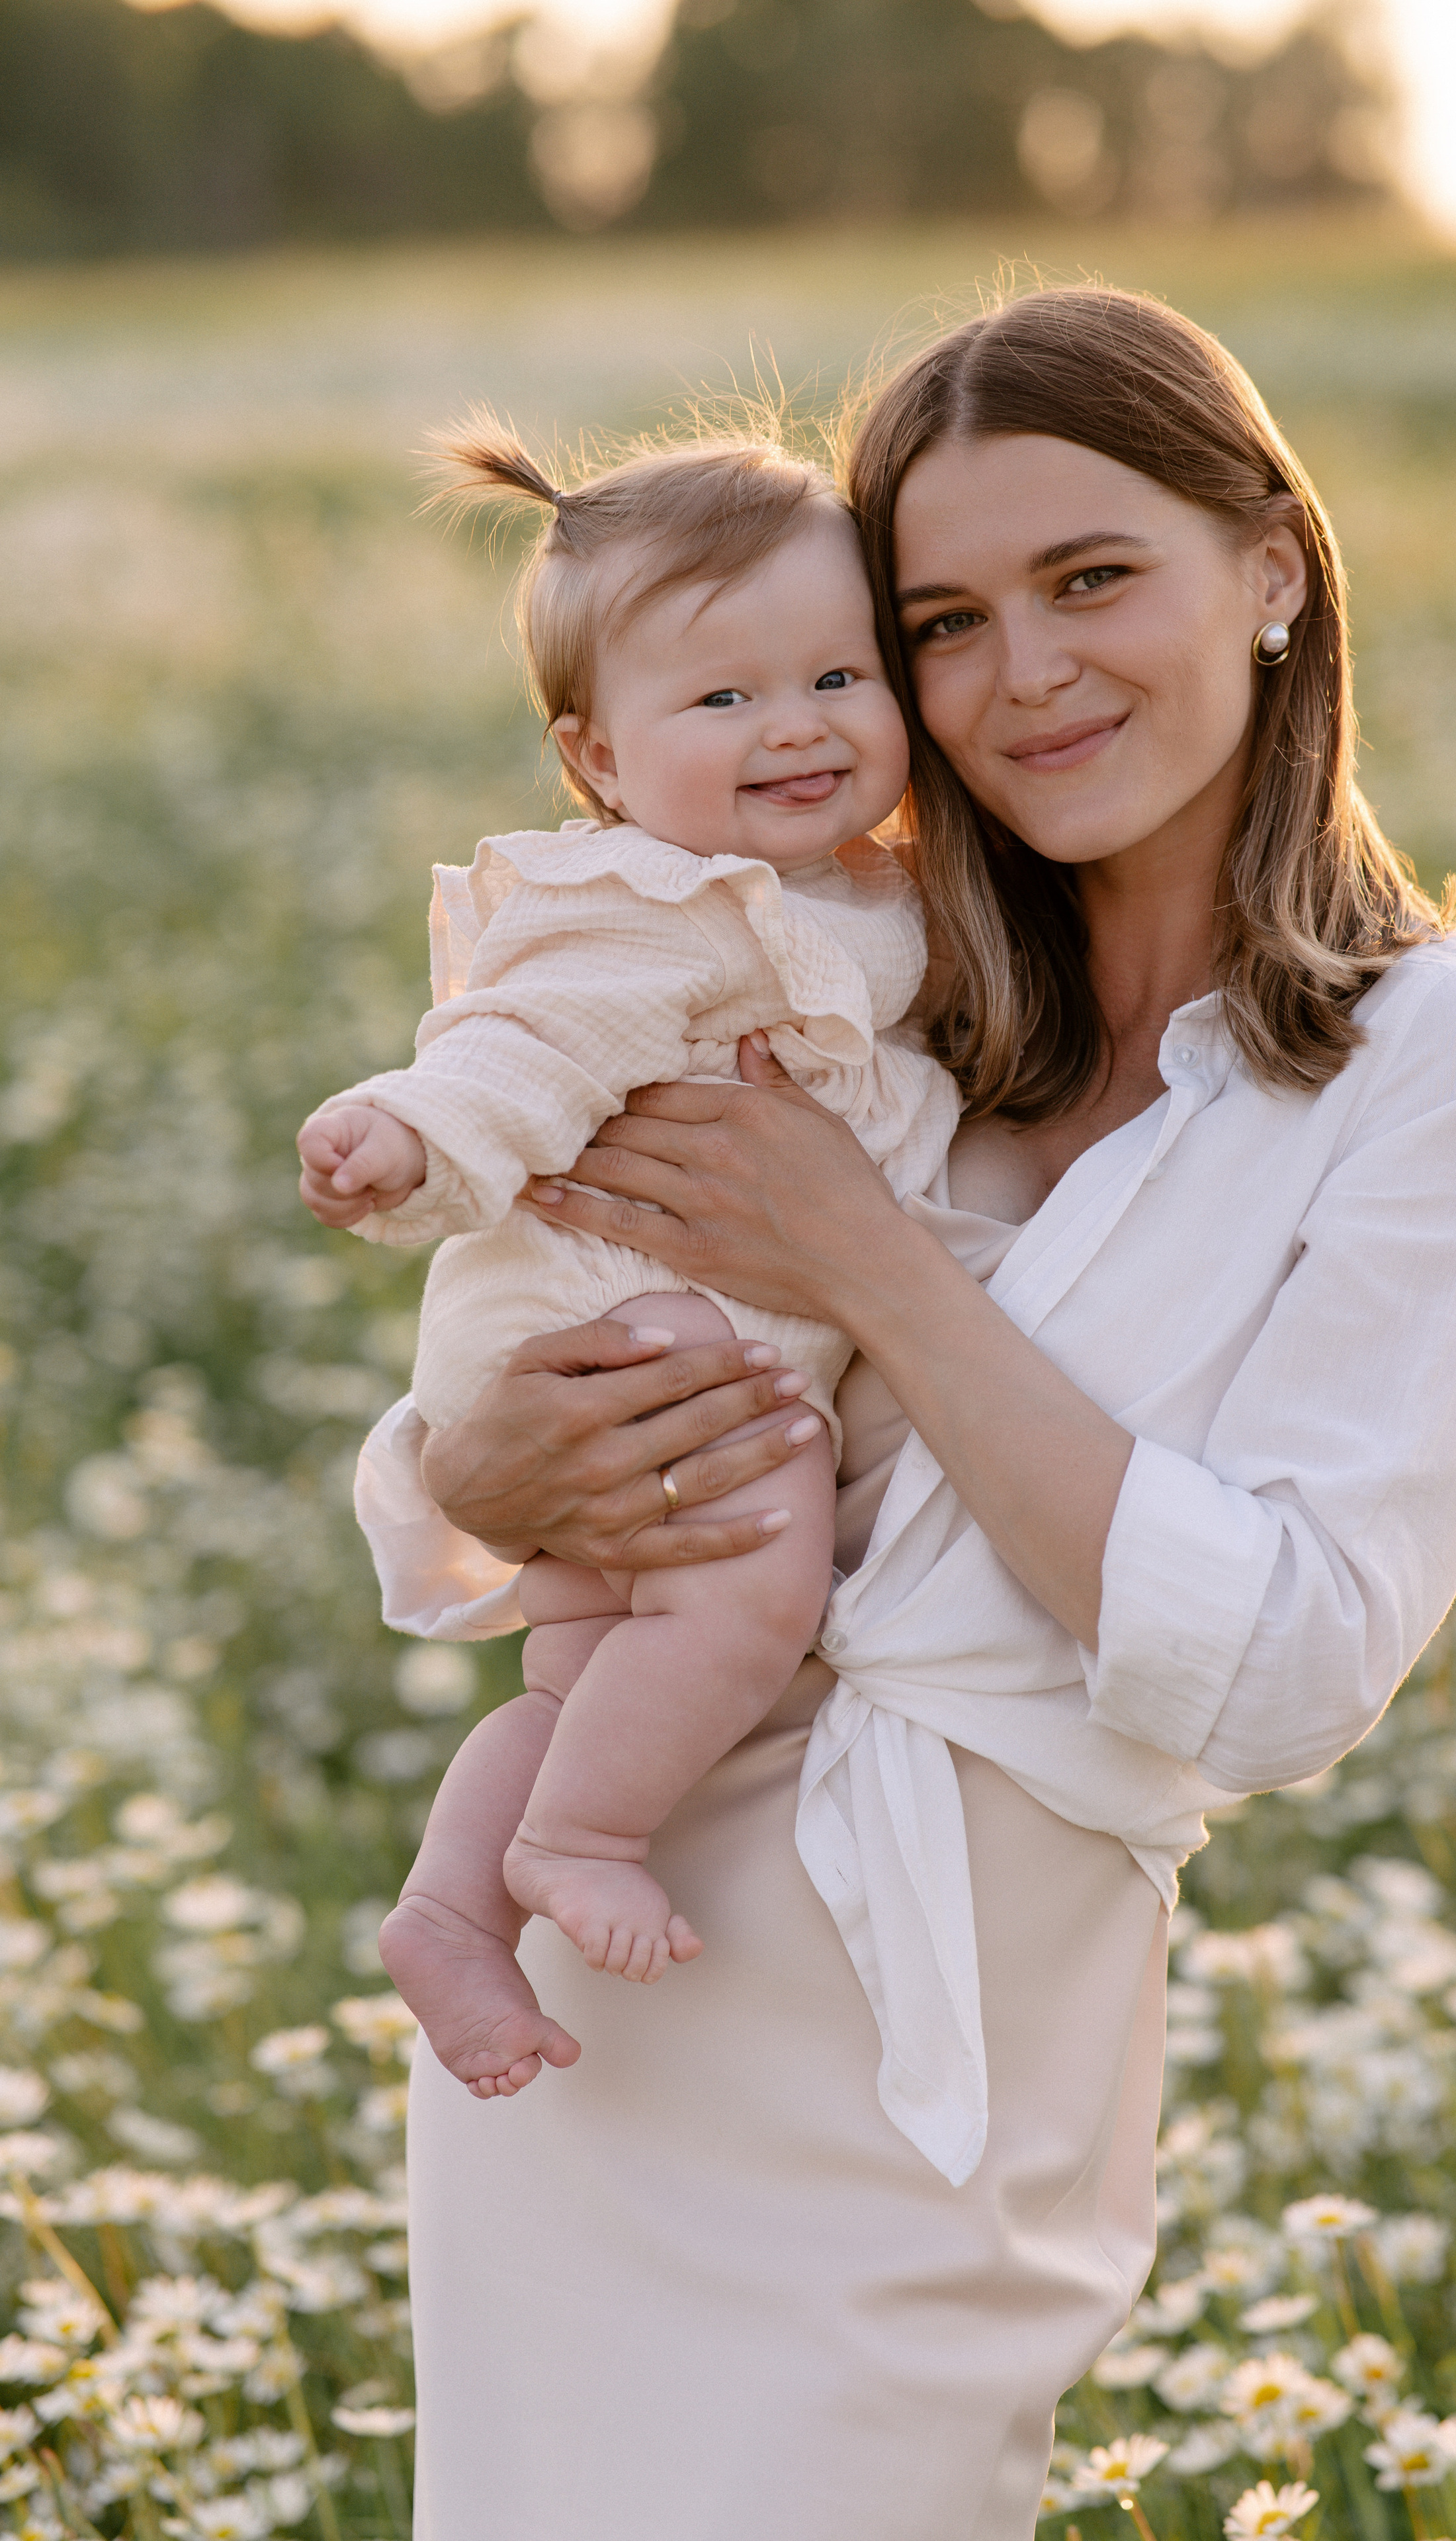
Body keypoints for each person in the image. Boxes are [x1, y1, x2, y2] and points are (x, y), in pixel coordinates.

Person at [353, 288, 1456, 2540]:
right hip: (602, 1988)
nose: (1026, 675)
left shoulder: (1435, 1052)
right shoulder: (845, 969)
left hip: (938, 2050)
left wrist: (878, 1269)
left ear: (1272, 564)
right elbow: (541, 1304)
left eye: (1091, 578)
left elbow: (1292, 1670)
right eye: (944, 621)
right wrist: (467, 1480)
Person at [296, 427, 959, 2096]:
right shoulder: (656, 900)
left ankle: (448, 1913)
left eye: (837, 676)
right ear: (595, 759)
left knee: (583, 1666)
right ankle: (578, 1840)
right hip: (629, 1335)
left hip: (633, 1338)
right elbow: (521, 1042)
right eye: (723, 698)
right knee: (757, 1582)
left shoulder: (853, 889)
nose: (794, 725)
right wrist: (411, 1134)